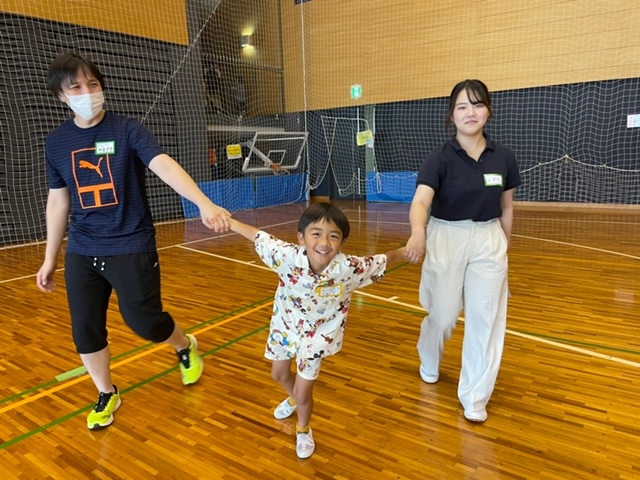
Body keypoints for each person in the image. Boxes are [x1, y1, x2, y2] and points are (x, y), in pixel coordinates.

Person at [36, 52, 232, 430]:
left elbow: (163, 163)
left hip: (130, 242)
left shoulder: (127, 130)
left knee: (145, 322)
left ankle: (183, 345)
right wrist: (49, 259)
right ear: (62, 96)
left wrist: (204, 204)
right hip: (83, 247)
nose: (87, 92)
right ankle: (107, 392)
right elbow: (58, 200)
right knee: (85, 329)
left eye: (93, 84)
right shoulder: (57, 143)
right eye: (76, 86)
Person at [228, 202, 406, 458]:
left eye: (334, 236)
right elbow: (259, 237)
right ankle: (293, 399)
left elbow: (380, 261)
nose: (325, 242)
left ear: (342, 242)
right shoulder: (287, 256)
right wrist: (228, 220)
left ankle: (303, 429)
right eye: (316, 233)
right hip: (284, 328)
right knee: (278, 375)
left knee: (304, 392)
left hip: (317, 340)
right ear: (301, 237)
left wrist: (405, 251)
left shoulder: (348, 268)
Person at [405, 79, 521, 423]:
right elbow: (421, 201)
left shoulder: (503, 156)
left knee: (486, 320)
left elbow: (507, 207)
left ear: (489, 110)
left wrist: (504, 246)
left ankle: (475, 395)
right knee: (442, 314)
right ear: (452, 115)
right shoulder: (439, 158)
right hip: (446, 237)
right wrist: (417, 232)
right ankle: (429, 355)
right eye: (462, 106)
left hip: (489, 238)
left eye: (478, 104)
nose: (471, 112)